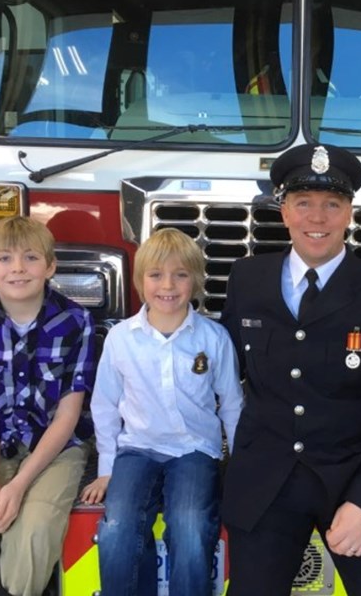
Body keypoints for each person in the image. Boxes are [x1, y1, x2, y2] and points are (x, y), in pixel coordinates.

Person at [220, 143, 361, 595]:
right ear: (284, 213)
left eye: (332, 205)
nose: (317, 218)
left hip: (353, 476)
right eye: (303, 204)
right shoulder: (246, 280)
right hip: (266, 484)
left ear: (349, 212)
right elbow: (220, 372)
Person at [0, 215, 97, 596]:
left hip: (56, 449)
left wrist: (20, 484)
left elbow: (68, 415)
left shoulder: (78, 323)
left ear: (50, 266)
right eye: (5, 259)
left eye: (30, 257)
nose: (18, 269)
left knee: (33, 532)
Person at [80, 228, 244, 596]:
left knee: (190, 524)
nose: (167, 285)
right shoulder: (122, 338)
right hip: (136, 449)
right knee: (118, 527)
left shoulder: (213, 339)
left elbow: (232, 404)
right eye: (156, 275)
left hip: (194, 451)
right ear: (140, 281)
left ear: (196, 282)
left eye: (180, 274)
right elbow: (105, 404)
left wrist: (240, 467)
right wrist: (107, 469)